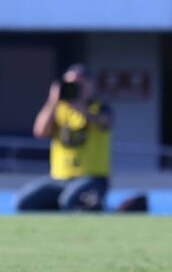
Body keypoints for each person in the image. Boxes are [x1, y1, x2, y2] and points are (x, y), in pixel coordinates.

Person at [17, 64, 113, 211]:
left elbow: (105, 122)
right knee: (25, 201)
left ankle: (97, 206)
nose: (73, 88)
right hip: (59, 178)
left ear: (90, 85)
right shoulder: (58, 109)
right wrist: (52, 101)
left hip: (92, 178)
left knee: (70, 199)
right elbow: (40, 132)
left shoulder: (99, 107)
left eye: (78, 84)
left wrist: (79, 105)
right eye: (69, 84)